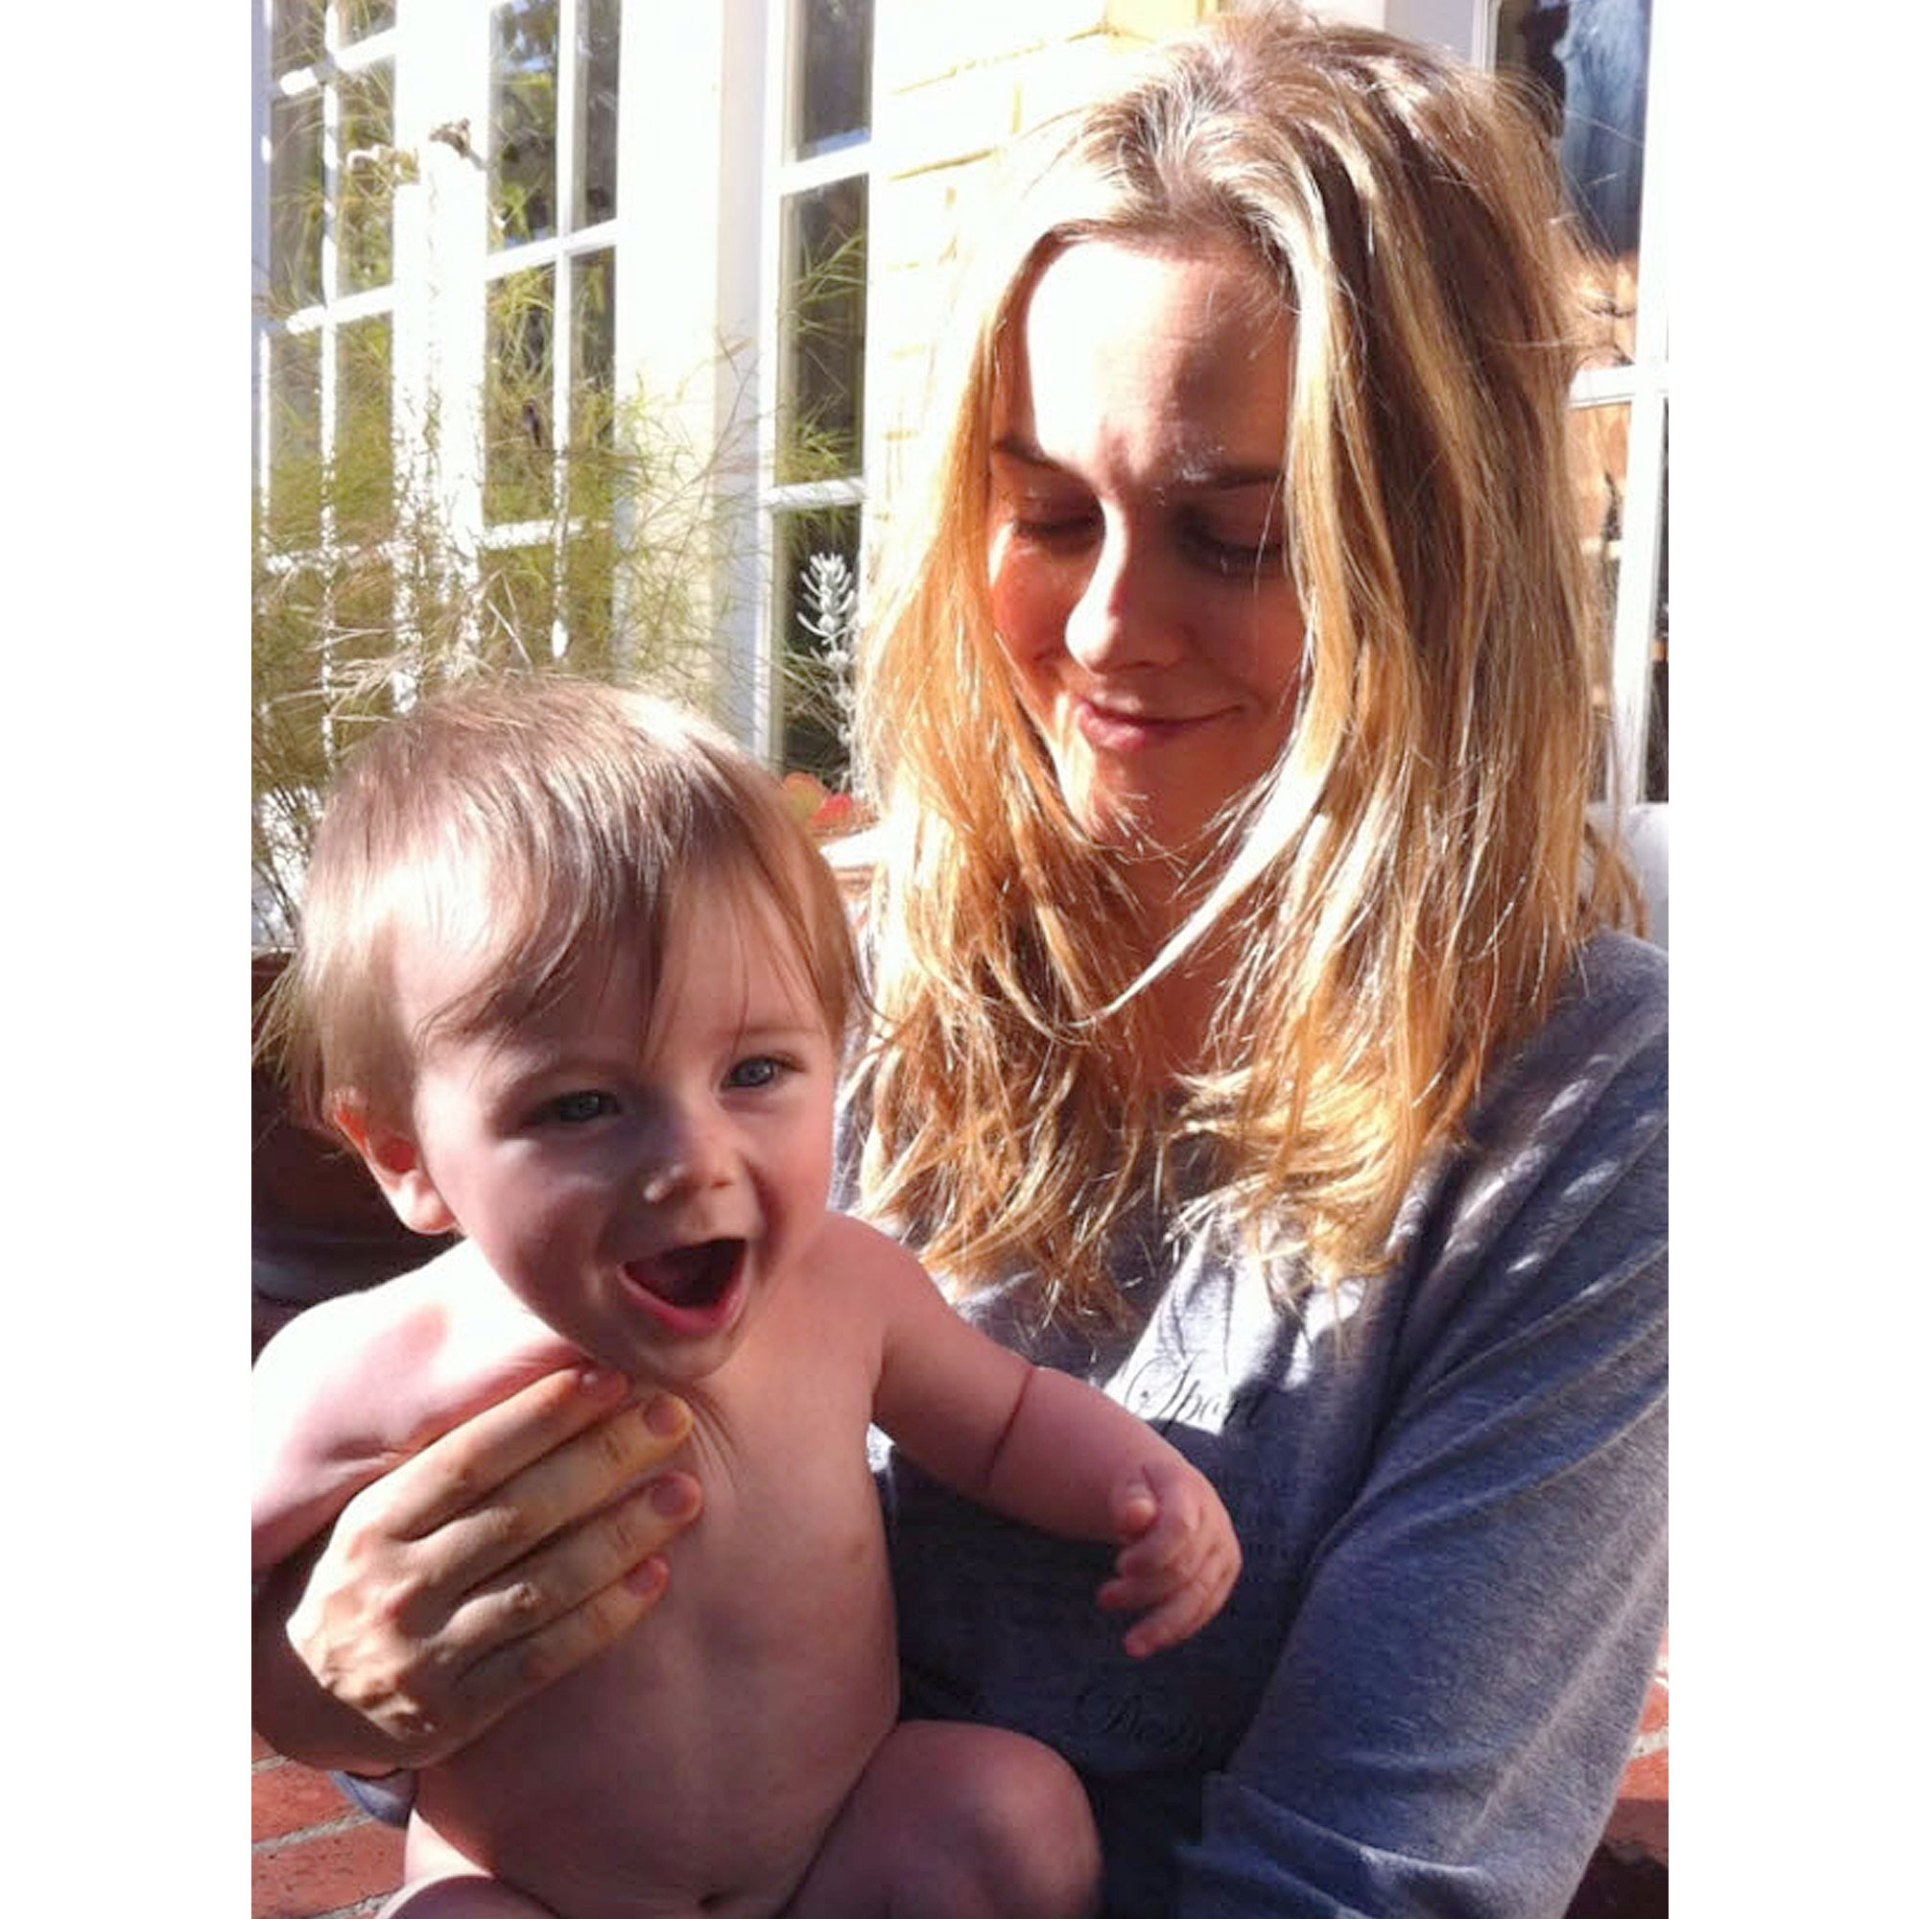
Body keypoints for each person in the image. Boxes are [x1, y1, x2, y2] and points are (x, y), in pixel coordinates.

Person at [253, 9, 1668, 1916]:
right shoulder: (817, 980)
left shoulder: (1589, 1107)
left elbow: (1362, 1872)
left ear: (1433, 558)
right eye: (1045, 512)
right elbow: (451, 1648)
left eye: (1232, 537)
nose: (1103, 624)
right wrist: (317, 1674)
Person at [252, 678, 1241, 1919]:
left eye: (755, 1070)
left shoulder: (846, 1289)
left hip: (829, 1855)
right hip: (535, 1887)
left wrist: (1138, 1484)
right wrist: (286, 1678)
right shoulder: (368, 1365)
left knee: (1006, 1806)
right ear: (404, 1153)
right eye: (579, 1104)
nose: (692, 1158)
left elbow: (999, 1419)